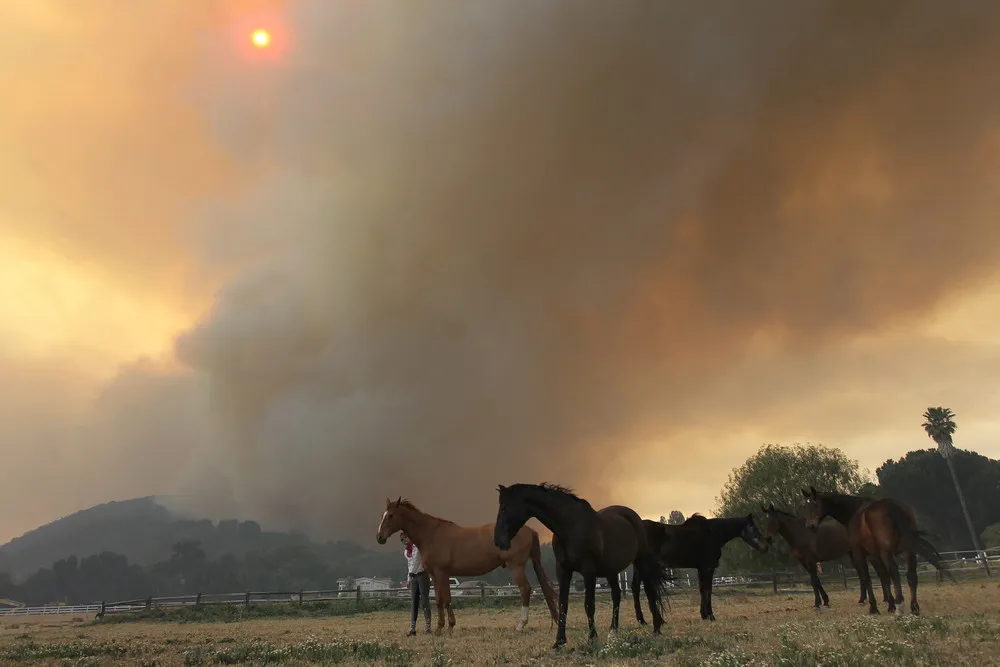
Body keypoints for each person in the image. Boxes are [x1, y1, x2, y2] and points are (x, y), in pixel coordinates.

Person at [402, 532, 431, 635]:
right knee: (414, 602)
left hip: (422, 575)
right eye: (402, 539)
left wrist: (410, 576)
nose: (404, 540)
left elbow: (416, 563)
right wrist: (409, 580)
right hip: (413, 577)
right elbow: (410, 566)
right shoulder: (406, 552)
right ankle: (412, 628)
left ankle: (428, 627)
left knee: (425, 601)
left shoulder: (417, 547)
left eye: (405, 538)